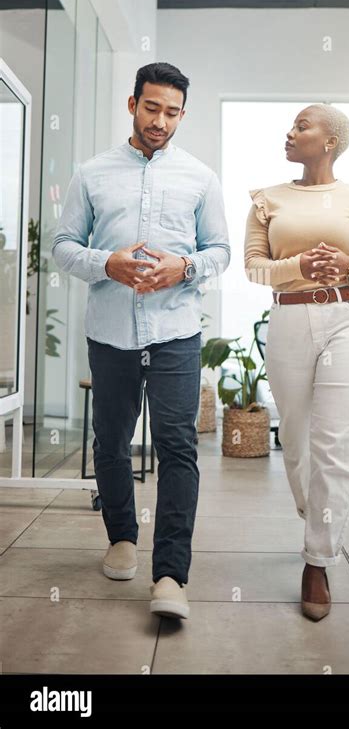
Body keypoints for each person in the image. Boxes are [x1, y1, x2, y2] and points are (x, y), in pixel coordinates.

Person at [52, 62, 230, 620]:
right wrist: (107, 262)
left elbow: (220, 251)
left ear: (182, 114)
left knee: (179, 448)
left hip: (177, 332)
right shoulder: (92, 173)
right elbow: (62, 244)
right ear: (132, 105)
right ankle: (121, 537)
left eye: (172, 112)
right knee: (110, 440)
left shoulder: (200, 177)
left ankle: (172, 574)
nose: (160, 121)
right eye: (151, 108)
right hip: (110, 334)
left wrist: (184, 268)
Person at [244, 104, 349, 622]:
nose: (290, 132)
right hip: (289, 319)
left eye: (302, 126)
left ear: (329, 141)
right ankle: (317, 514)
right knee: (296, 438)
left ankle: (318, 561)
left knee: (337, 442)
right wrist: (299, 265)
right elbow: (254, 269)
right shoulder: (267, 200)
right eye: (292, 125)